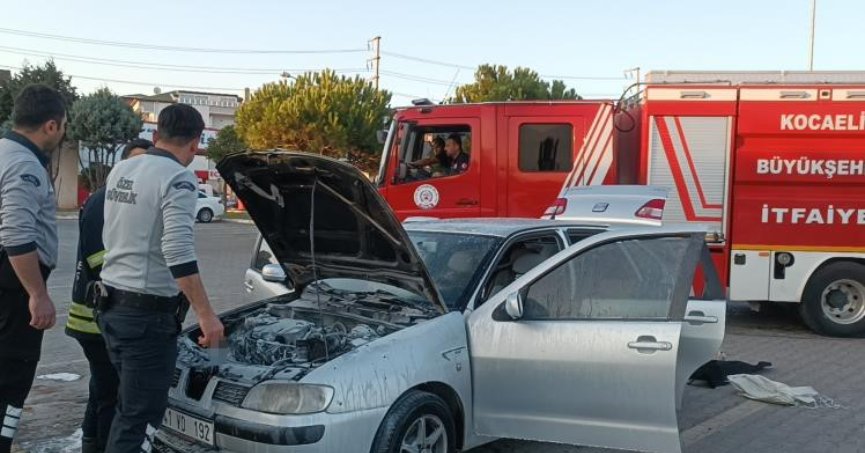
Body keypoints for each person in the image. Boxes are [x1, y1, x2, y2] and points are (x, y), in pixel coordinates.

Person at [98, 104, 224, 453]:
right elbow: (178, 250)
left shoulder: (122, 168)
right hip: (146, 319)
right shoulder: (178, 177)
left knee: (127, 413)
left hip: (111, 309)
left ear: (156, 135)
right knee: (139, 422)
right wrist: (206, 315)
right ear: (196, 143)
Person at [65, 138, 152, 453]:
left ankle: (90, 443)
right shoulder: (105, 199)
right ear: (122, 164)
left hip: (101, 318)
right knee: (111, 396)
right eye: (136, 162)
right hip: (97, 319)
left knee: (100, 389)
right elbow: (100, 261)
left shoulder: (122, 199)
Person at [0, 84, 66, 453]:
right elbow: (16, 235)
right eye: (64, 126)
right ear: (51, 126)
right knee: (12, 381)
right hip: (13, 290)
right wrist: (37, 294)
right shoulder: (25, 164)